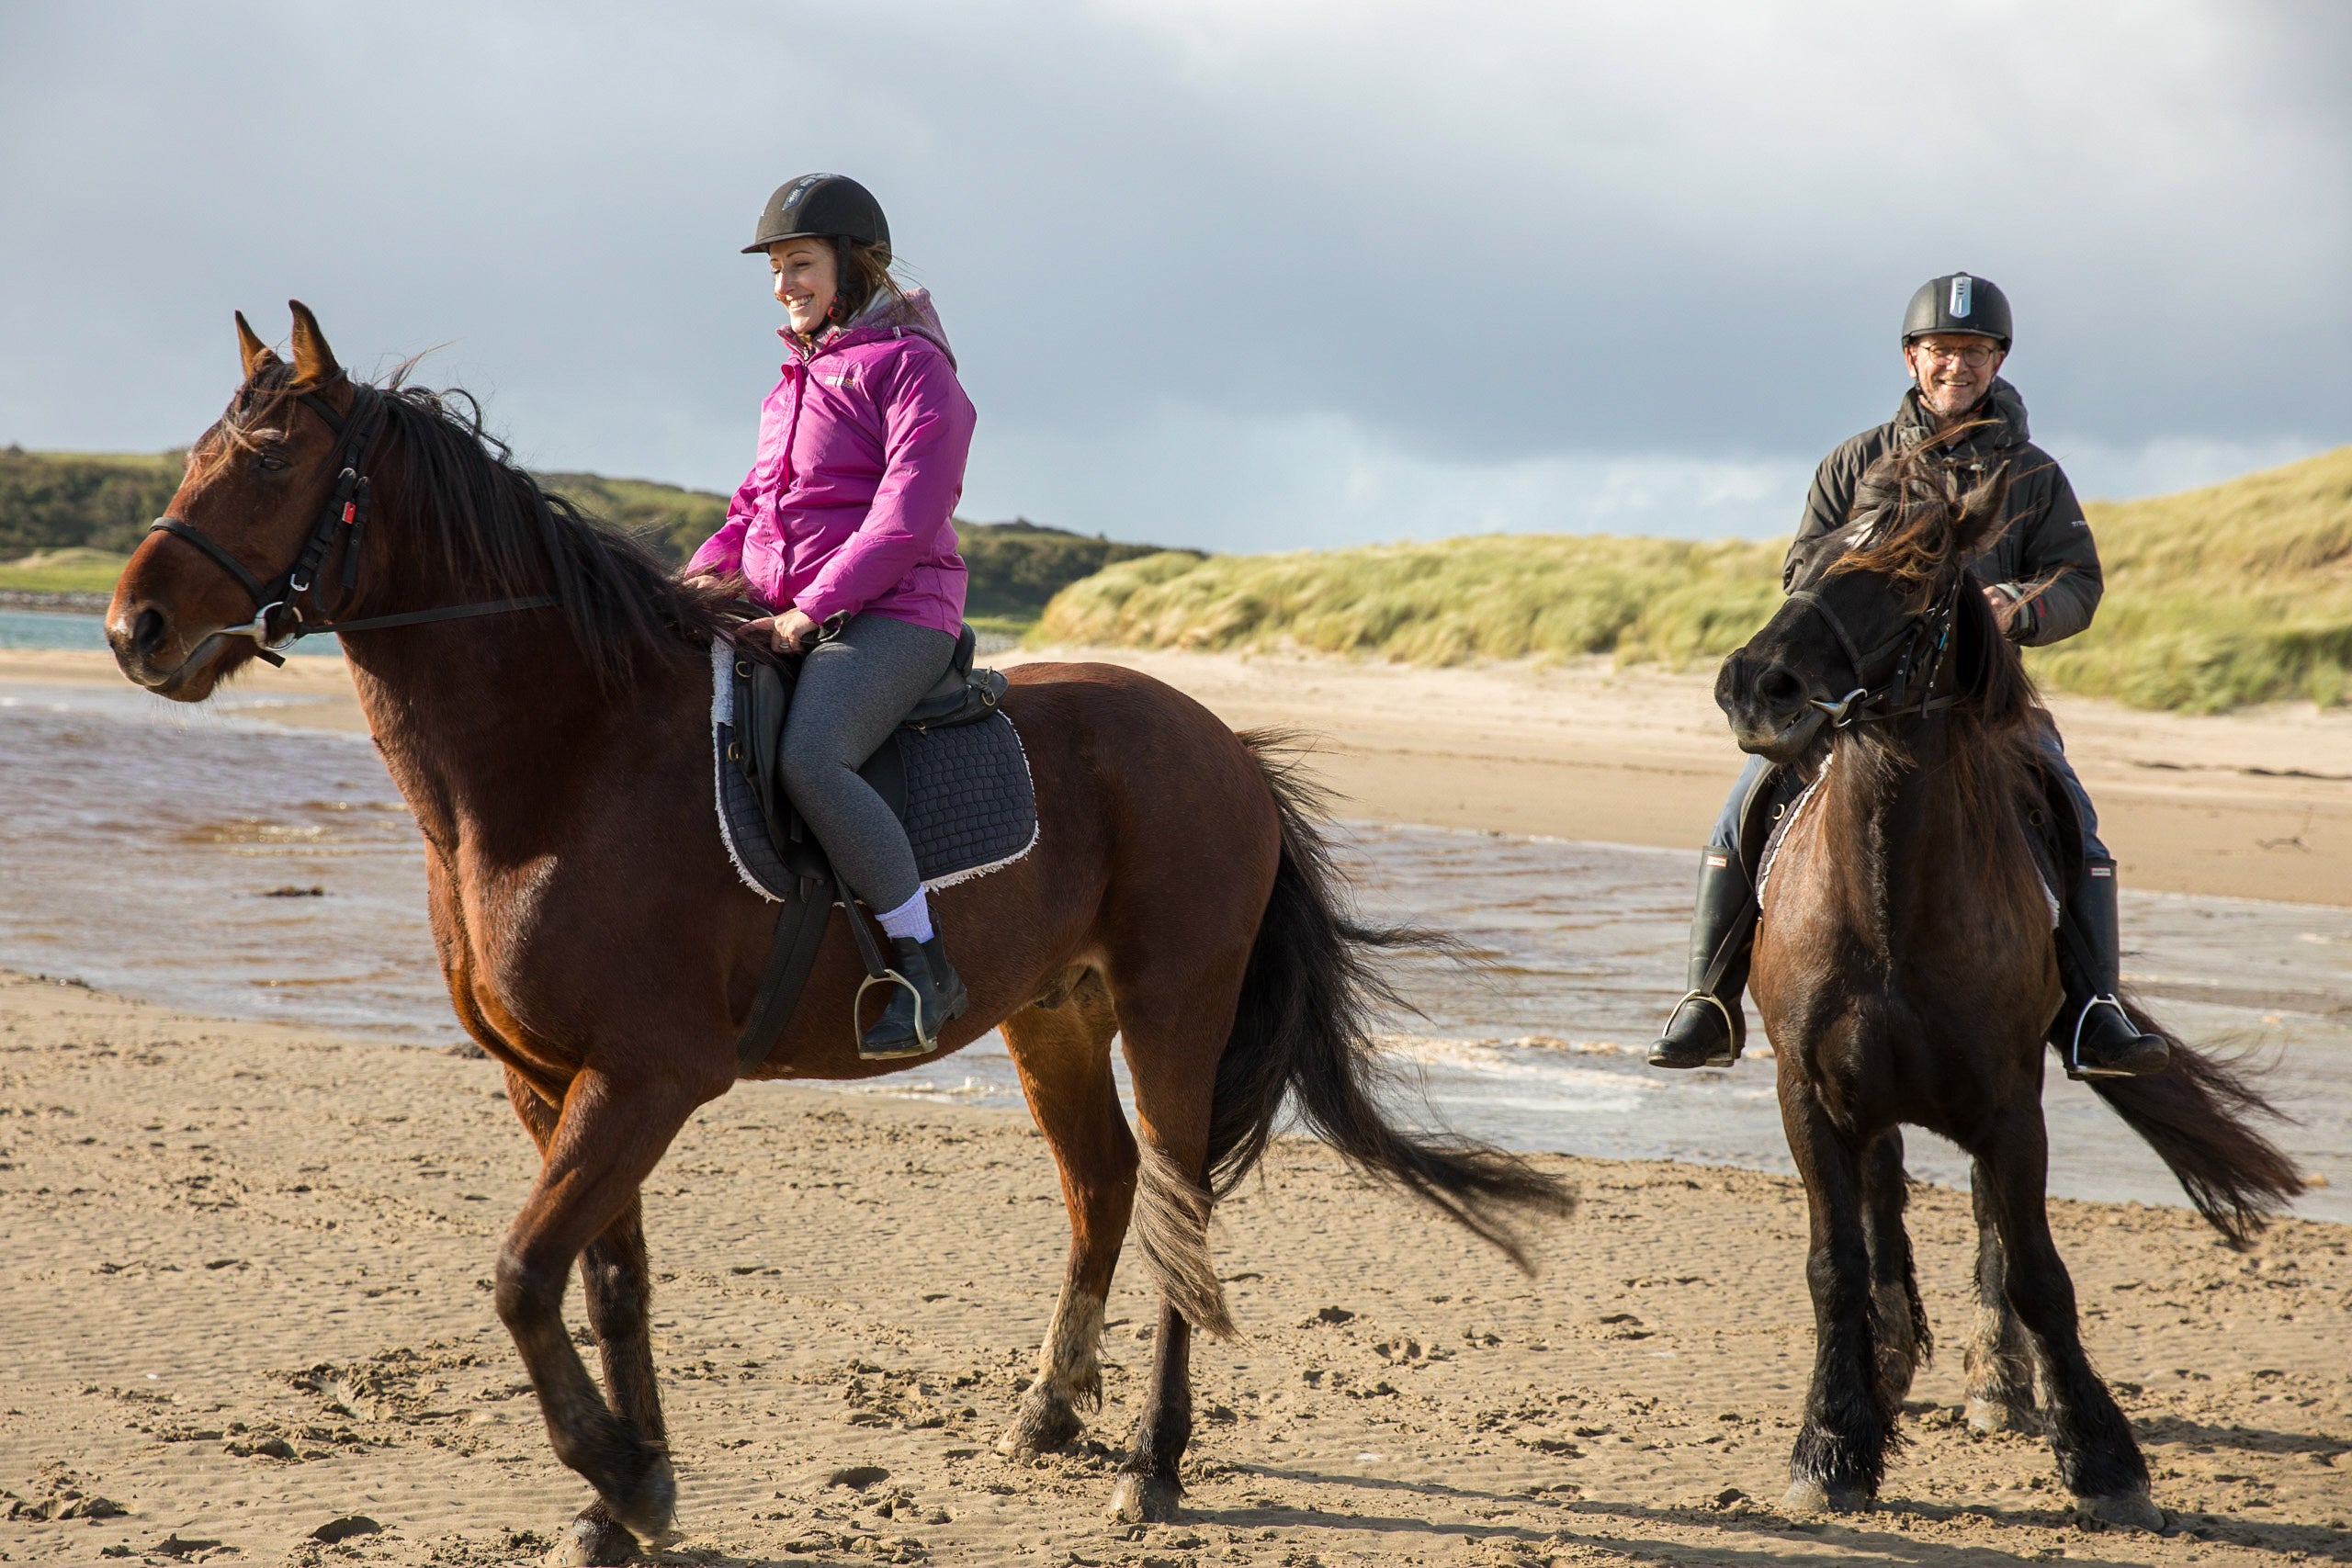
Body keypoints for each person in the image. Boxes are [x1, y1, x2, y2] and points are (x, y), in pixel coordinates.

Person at [1648, 272, 2169, 1082]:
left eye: (1973, 351)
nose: (1955, 365)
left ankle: (2094, 1013)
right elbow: (1801, 569)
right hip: (1857, 695)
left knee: (2074, 816)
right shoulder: (1854, 462)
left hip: (1983, 702)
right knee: (1745, 801)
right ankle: (1706, 1002)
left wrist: (2016, 607)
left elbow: (2077, 580)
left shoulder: (2033, 475)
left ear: (1997, 361)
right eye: (1940, 350)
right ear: (1910, 357)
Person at [684, 173, 977, 1060]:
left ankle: (925, 965)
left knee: (812, 755)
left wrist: (810, 612)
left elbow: (905, 517)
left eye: (800, 263)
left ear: (854, 264)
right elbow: (751, 510)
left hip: (898, 612)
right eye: (776, 268)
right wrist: (694, 581)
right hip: (789, 608)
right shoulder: (795, 382)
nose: (784, 285)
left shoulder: (914, 369)